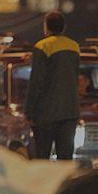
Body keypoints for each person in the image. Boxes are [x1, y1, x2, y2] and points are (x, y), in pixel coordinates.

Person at [25, 11, 80, 160]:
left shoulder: (42, 46)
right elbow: (68, 73)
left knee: (42, 159)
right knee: (66, 161)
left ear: (46, 26)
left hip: (45, 114)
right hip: (69, 113)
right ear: (64, 27)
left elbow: (36, 82)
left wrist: (28, 111)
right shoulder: (74, 46)